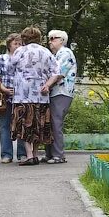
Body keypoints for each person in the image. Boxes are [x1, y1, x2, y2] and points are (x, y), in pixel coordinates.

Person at [9, 26, 57, 166]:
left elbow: (11, 66)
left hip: (23, 95)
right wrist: (47, 84)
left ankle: (29, 155)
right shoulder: (46, 52)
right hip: (41, 96)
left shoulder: (20, 51)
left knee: (25, 125)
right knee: (38, 126)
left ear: (24, 38)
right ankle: (35, 155)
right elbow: (56, 72)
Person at [0, 34, 28, 164]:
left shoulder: (25, 59)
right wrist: (2, 88)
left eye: (20, 44)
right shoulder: (2, 58)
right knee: (4, 126)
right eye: (15, 44)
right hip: (5, 96)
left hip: (22, 96)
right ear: (9, 45)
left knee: (22, 125)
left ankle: (22, 154)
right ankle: (6, 154)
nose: (18, 46)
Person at [45, 29, 77, 164]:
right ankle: (50, 154)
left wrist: (46, 85)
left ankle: (58, 155)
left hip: (62, 92)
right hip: (55, 92)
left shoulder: (65, 53)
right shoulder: (56, 54)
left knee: (56, 123)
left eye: (53, 38)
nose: (50, 41)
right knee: (51, 122)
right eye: (49, 38)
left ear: (62, 40)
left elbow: (58, 74)